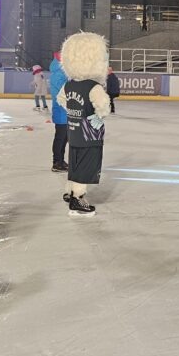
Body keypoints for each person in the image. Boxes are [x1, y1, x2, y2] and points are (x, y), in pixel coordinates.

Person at [59, 32, 110, 217]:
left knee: (75, 163)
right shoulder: (93, 87)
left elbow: (61, 100)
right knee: (86, 167)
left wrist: (74, 113)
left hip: (74, 133)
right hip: (90, 136)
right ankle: (77, 198)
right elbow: (103, 106)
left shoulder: (69, 85)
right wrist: (98, 117)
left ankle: (69, 190)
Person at [49, 52, 68, 172]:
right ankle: (56, 162)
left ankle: (60, 160)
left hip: (64, 111)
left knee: (64, 138)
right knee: (60, 138)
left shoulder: (61, 72)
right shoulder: (58, 74)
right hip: (61, 111)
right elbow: (62, 92)